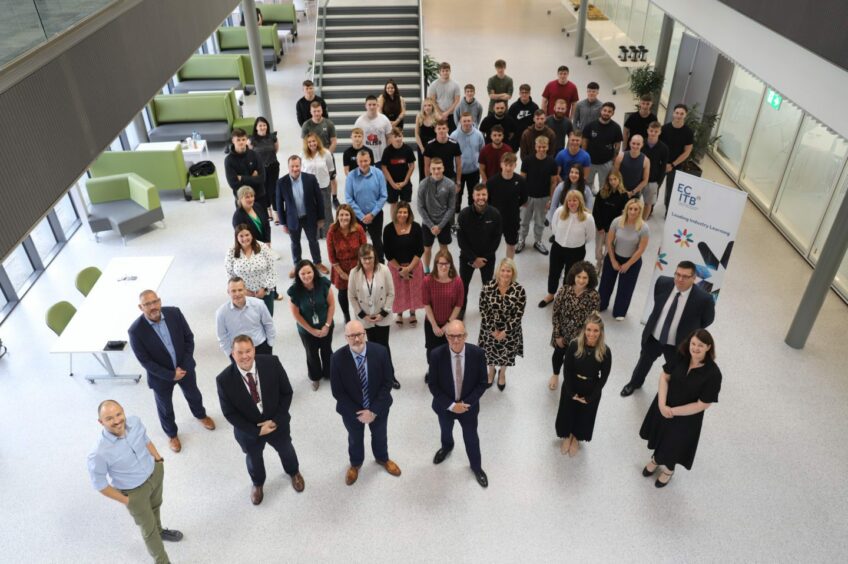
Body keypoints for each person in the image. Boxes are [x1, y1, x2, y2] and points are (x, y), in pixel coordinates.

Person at [87, 401, 181, 564]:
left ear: (123, 412)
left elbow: (146, 440)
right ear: (100, 422)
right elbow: (100, 484)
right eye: (109, 418)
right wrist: (127, 501)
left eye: (118, 414)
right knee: (148, 530)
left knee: (156, 506)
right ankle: (162, 561)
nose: (116, 421)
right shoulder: (98, 453)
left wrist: (159, 461)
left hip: (154, 474)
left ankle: (160, 531)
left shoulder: (135, 422)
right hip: (134, 492)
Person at [216, 335, 305, 505]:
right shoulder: (224, 380)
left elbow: (287, 393)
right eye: (239, 352)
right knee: (254, 459)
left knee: (286, 449)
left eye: (248, 351)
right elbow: (229, 413)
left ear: (254, 350)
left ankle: (294, 472)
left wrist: (276, 421)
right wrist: (256, 431)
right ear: (232, 354)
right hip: (249, 432)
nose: (244, 356)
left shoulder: (272, 363)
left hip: (276, 424)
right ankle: (257, 484)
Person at [128, 291, 215, 453]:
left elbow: (189, 338)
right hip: (161, 377)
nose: (153, 307)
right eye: (147, 304)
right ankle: (172, 434)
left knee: (193, 394)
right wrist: (170, 375)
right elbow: (145, 361)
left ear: (160, 301)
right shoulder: (135, 331)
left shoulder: (174, 313)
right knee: (165, 407)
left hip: (184, 367)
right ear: (141, 307)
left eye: (155, 302)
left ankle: (201, 415)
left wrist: (185, 364)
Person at [639, 329, 722, 488]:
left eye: (700, 345)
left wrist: (673, 411)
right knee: (661, 433)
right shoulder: (681, 355)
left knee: (674, 442)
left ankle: (669, 470)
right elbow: (665, 376)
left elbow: (703, 404)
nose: (695, 348)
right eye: (693, 343)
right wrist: (662, 404)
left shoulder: (713, 374)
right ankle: (656, 459)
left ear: (708, 347)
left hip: (687, 416)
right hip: (665, 404)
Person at [621, 260, 716, 397]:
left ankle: (668, 394)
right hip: (654, 337)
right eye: (677, 274)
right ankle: (634, 383)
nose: (680, 279)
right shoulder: (662, 283)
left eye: (685, 276)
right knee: (643, 363)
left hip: (678, 344)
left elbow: (707, 320)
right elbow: (657, 306)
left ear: (694, 277)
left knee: (675, 370)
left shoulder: (704, 299)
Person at [330, 320, 401, 486]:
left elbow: (387, 382)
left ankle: (382, 458)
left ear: (365, 334)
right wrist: (360, 413)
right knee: (354, 438)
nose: (356, 339)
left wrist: (373, 411)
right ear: (346, 337)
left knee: (380, 434)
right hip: (351, 411)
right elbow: (338, 392)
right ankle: (355, 464)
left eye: (359, 334)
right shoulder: (337, 358)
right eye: (352, 336)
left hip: (379, 407)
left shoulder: (381, 352)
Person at [428, 319, 490, 488]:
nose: (456, 340)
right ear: (446, 336)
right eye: (451, 336)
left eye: (460, 336)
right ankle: (447, 448)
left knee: (471, 437)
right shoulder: (436, 355)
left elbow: (483, 383)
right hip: (445, 406)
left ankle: (476, 467)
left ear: (466, 335)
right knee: (445, 430)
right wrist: (451, 405)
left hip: (468, 407)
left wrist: (465, 404)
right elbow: (433, 384)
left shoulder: (478, 354)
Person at [554, 313, 611, 457]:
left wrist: (590, 397)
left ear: (601, 332)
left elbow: (603, 378)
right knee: (567, 412)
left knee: (585, 415)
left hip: (591, 388)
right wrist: (571, 392)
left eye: (596, 330)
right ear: (584, 330)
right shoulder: (574, 344)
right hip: (571, 385)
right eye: (589, 330)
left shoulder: (605, 351)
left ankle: (576, 438)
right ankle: (567, 436)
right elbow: (567, 370)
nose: (591, 334)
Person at [348, 244, 399, 388]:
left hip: (382, 316)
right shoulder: (354, 273)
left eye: (370, 258)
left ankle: (390, 376)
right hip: (364, 318)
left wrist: (383, 313)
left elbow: (391, 293)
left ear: (374, 256)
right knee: (368, 347)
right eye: (364, 259)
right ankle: (376, 376)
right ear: (360, 259)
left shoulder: (384, 269)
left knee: (383, 347)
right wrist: (363, 315)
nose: (367, 262)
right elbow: (352, 297)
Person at [549, 261, 600, 391]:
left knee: (575, 361)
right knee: (558, 355)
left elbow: (593, 321)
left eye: (585, 278)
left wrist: (585, 340)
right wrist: (557, 335)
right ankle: (555, 374)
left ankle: (570, 379)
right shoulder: (564, 290)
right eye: (579, 276)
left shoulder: (594, 296)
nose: (581, 280)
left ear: (590, 279)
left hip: (580, 338)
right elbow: (556, 314)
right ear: (573, 276)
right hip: (562, 333)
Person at [540, 190, 595, 308]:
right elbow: (554, 227)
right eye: (569, 200)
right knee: (554, 272)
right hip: (558, 247)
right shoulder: (559, 212)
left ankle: (565, 297)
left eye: (574, 200)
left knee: (570, 275)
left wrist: (575, 241)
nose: (571, 203)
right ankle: (550, 294)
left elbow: (590, 236)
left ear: (580, 201)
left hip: (576, 251)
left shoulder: (587, 217)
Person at [477, 258, 526, 390]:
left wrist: (505, 331)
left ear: (513, 272)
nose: (505, 274)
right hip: (489, 328)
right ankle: (491, 371)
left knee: (507, 354)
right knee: (489, 352)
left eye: (508, 271)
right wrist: (492, 329)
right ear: (498, 272)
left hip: (509, 330)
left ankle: (502, 373)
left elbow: (518, 314)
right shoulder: (488, 287)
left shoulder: (519, 290)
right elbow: (483, 309)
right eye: (503, 270)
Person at [276, 155, 328, 278]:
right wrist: (283, 223)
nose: (295, 169)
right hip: (292, 219)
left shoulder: (310, 179)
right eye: (292, 166)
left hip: (309, 217)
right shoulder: (281, 182)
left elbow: (319, 200)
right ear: (288, 167)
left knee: (313, 241)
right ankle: (297, 265)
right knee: (295, 243)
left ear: (301, 166)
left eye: (297, 166)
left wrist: (321, 218)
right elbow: (279, 204)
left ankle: (318, 263)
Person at [287, 260, 335, 391]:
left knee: (327, 350)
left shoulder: (323, 284)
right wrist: (312, 330)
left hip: (326, 325)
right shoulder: (294, 291)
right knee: (311, 353)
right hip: (307, 330)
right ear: (298, 275)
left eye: (309, 272)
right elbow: (296, 315)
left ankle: (329, 373)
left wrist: (327, 325)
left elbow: (331, 305)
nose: (306, 276)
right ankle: (315, 377)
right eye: (303, 273)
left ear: (314, 271)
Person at [599, 198, 650, 320]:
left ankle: (620, 312)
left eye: (636, 209)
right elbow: (609, 241)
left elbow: (641, 249)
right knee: (605, 283)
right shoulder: (617, 222)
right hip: (614, 255)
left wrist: (628, 264)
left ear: (640, 211)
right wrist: (612, 260)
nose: (632, 212)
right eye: (630, 209)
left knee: (626, 288)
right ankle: (601, 305)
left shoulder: (644, 227)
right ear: (626, 209)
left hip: (632, 260)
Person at [457, 184, 503, 315]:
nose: (481, 197)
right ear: (473, 196)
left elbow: (496, 239)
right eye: (478, 195)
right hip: (467, 256)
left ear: (487, 196)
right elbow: (461, 241)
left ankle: (487, 308)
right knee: (463, 285)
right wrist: (474, 258)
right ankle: (462, 308)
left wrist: (484, 258)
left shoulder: (495, 214)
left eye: (483, 194)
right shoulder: (463, 214)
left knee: (488, 285)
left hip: (487, 257)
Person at [422, 249, 464, 382]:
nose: (444, 266)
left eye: (447, 263)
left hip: (450, 324)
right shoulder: (427, 281)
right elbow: (426, 304)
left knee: (450, 349)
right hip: (432, 322)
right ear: (436, 264)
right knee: (431, 350)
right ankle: (432, 370)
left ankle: (447, 371)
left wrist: (447, 324)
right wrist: (434, 325)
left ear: (451, 264)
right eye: (441, 264)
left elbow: (458, 305)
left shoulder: (457, 282)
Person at [383, 202, 424, 325]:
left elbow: (420, 250)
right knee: (398, 291)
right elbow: (388, 253)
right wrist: (401, 269)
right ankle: (399, 313)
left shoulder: (416, 227)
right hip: (396, 267)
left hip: (414, 266)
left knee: (414, 291)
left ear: (409, 213)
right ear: (395, 213)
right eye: (400, 212)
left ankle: (412, 312)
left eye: (405, 212)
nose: (402, 214)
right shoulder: (388, 229)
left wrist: (409, 268)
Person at [326, 204, 367, 324]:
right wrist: (341, 273)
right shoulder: (332, 231)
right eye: (341, 215)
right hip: (340, 267)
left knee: (360, 292)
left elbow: (364, 250)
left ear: (351, 216)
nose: (344, 217)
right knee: (343, 293)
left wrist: (359, 269)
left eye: (347, 215)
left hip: (358, 265)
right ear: (337, 216)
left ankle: (361, 314)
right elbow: (331, 256)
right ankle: (346, 316)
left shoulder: (358, 229)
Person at [215, 276, 276, 356]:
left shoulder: (259, 304)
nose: (237, 294)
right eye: (233, 291)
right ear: (228, 292)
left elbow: (269, 324)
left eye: (240, 290)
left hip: (260, 346)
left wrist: (270, 345)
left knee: (266, 368)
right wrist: (229, 353)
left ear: (245, 290)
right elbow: (221, 336)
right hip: (238, 351)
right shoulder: (221, 312)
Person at [518, 135, 558, 255]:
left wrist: (551, 199)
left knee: (540, 222)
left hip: (543, 197)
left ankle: (538, 241)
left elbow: (553, 182)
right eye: (539, 146)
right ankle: (521, 240)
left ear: (547, 147)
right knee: (524, 220)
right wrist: (522, 197)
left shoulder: (552, 162)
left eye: (544, 147)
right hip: (528, 197)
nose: (541, 149)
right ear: (535, 147)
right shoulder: (527, 161)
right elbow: (522, 180)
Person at [225, 225, 279, 314]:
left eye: (247, 235)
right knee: (249, 321)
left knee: (267, 319)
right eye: (241, 236)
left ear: (252, 235)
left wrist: (264, 289)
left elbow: (272, 269)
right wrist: (243, 291)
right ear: (236, 237)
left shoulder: (263, 247)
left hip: (264, 292)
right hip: (243, 294)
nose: (244, 238)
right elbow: (230, 275)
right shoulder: (231, 252)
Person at [345, 150, 388, 262]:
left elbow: (383, 196)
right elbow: (349, 198)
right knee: (358, 241)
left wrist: (372, 214)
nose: (363, 163)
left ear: (370, 160)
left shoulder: (378, 173)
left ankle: (380, 263)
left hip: (376, 215)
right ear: (357, 161)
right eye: (360, 161)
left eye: (366, 160)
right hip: (358, 217)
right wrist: (361, 216)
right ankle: (359, 263)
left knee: (377, 240)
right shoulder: (351, 176)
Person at [417, 158, 456, 273]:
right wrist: (431, 226)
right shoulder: (423, 184)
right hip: (427, 223)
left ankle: (445, 269)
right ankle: (427, 269)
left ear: (443, 168)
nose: (436, 171)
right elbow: (420, 207)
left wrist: (440, 226)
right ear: (429, 169)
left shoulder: (450, 184)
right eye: (433, 168)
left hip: (443, 224)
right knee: (427, 248)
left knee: (444, 249)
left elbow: (451, 208)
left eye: (439, 168)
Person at [485, 152, 528, 258]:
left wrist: (513, 206)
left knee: (511, 245)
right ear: (501, 164)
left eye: (511, 165)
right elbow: (487, 201)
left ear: (515, 165)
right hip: (495, 220)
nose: (508, 168)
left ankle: (509, 268)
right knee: (491, 246)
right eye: (506, 164)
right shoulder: (492, 182)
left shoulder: (520, 181)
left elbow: (524, 199)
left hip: (512, 219)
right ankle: (492, 270)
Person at [582, 102, 623, 198]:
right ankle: (586, 205)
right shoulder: (590, 125)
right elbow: (584, 142)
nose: (606, 113)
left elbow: (617, 145)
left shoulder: (616, 128)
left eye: (609, 111)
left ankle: (601, 205)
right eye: (605, 110)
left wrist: (613, 160)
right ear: (601, 111)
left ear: (612, 113)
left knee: (605, 185)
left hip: (606, 162)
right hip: (590, 162)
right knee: (587, 185)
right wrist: (584, 158)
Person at [591, 170, 629, 272]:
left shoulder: (624, 195)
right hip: (600, 227)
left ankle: (604, 267)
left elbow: (624, 215)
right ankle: (598, 263)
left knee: (609, 250)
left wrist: (614, 229)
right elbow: (596, 210)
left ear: (619, 180)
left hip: (613, 229)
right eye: (610, 179)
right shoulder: (602, 192)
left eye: (615, 179)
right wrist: (599, 226)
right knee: (598, 250)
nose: (612, 182)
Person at [660, 104, 695, 216]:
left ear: (685, 115)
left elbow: (687, 152)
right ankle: (649, 208)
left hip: (676, 166)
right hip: (661, 164)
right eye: (677, 113)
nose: (679, 116)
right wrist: (663, 163)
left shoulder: (688, 132)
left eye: (682, 114)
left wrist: (672, 164)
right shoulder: (664, 128)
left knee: (671, 191)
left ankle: (668, 212)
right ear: (673, 113)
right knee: (655, 187)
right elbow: (659, 147)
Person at [301, 133, 335, 238]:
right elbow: (302, 171)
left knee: (326, 209)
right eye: (309, 142)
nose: (312, 143)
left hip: (324, 185)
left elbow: (330, 169)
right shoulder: (302, 155)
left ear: (318, 142)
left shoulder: (326, 153)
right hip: (309, 188)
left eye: (314, 141)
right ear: (306, 144)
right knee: (312, 210)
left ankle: (327, 233)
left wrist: (323, 179)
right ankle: (315, 233)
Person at [450, 112, 485, 211]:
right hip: (457, 171)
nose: (466, 123)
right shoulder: (454, 135)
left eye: (468, 121)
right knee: (457, 196)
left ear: (472, 121)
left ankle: (471, 213)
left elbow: (482, 153)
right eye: (464, 121)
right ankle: (456, 214)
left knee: (473, 195)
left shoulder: (478, 135)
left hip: (473, 171)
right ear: (460, 121)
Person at [380, 127, 416, 217]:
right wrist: (392, 183)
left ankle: (406, 222)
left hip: (405, 182)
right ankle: (394, 224)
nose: (398, 138)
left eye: (400, 136)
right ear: (391, 138)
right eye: (395, 136)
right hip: (392, 183)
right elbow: (384, 167)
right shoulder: (387, 151)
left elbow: (412, 165)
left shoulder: (408, 149)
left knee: (405, 204)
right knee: (393, 204)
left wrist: (405, 181)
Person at [248, 116, 279, 215]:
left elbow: (276, 150)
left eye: (264, 125)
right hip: (260, 169)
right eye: (260, 125)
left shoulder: (272, 137)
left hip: (273, 165)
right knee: (263, 189)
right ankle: (267, 209)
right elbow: (250, 155)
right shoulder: (252, 140)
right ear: (256, 127)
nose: (262, 127)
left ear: (267, 126)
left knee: (273, 189)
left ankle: (276, 211)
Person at [224, 128, 265, 202]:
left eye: (243, 139)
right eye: (238, 140)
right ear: (233, 141)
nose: (241, 142)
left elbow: (262, 178)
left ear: (247, 140)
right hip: (241, 198)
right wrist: (252, 178)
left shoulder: (255, 155)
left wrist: (242, 178)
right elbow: (233, 184)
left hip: (258, 196)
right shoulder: (229, 160)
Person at [641, 121, 670, 220]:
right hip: (638, 179)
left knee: (648, 203)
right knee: (633, 201)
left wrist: (659, 182)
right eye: (651, 131)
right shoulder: (640, 144)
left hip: (653, 180)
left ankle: (644, 220)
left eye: (656, 131)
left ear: (660, 132)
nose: (653, 133)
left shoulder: (664, 148)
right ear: (648, 131)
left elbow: (663, 167)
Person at [354, 95, 393, 164]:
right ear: (365, 106)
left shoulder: (384, 119)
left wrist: (389, 153)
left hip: (382, 157)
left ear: (377, 105)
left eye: (374, 104)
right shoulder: (359, 122)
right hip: (365, 158)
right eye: (369, 105)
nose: (372, 107)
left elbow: (389, 137)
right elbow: (355, 139)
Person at [427, 61, 461, 131]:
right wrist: (441, 114)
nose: (445, 72)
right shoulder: (434, 84)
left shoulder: (455, 84)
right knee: (438, 135)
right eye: (443, 71)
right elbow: (432, 101)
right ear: (440, 72)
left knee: (452, 136)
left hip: (452, 115)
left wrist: (446, 113)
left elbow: (456, 101)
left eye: (447, 71)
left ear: (450, 71)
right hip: (437, 114)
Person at [414, 97, 441, 179]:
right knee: (423, 168)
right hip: (422, 145)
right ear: (423, 107)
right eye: (425, 105)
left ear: (432, 107)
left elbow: (439, 133)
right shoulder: (419, 116)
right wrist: (422, 149)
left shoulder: (437, 117)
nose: (427, 107)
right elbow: (416, 134)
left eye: (429, 105)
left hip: (434, 145)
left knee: (434, 167)